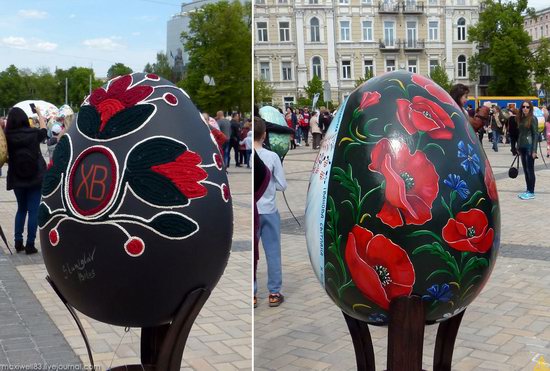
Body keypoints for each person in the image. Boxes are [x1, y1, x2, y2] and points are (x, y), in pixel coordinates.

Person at [5, 106, 48, 254]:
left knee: (21, 209)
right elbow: (44, 131)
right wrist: (39, 113)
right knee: (33, 211)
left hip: (17, 177)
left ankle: (18, 242)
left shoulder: (7, 135)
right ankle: (30, 244)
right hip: (35, 177)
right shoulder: (33, 133)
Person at [254, 118, 287, 307]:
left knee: (254, 254)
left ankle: (253, 293)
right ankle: (274, 293)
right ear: (265, 134)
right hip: (269, 210)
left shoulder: (251, 154)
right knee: (272, 253)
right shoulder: (272, 157)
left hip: (254, 211)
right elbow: (282, 185)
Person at [516, 101, 539, 200]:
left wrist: (534, 150)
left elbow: (535, 135)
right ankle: (528, 189)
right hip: (522, 146)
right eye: (523, 107)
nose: (525, 108)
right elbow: (520, 133)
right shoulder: (521, 119)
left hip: (530, 146)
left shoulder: (533, 118)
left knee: (530, 170)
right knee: (525, 170)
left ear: (531, 108)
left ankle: (531, 191)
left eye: (527, 107)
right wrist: (517, 146)